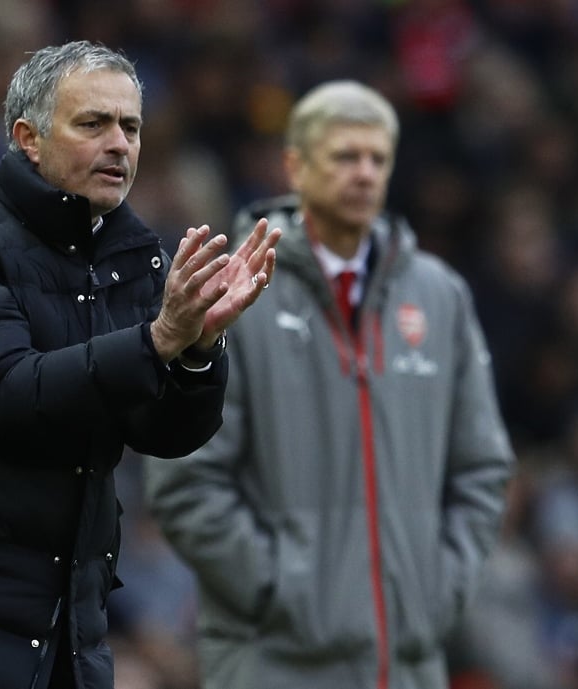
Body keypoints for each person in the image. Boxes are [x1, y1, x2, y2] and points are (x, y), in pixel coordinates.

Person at [0, 40, 279, 689]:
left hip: (67, 636)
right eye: (93, 123)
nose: (119, 143)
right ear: (28, 138)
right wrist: (158, 341)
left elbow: (166, 431)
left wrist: (199, 349)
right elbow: (13, 393)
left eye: (130, 126)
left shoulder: (130, 256)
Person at [143, 80, 515, 689]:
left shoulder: (439, 295)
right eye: (345, 156)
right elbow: (186, 475)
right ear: (295, 165)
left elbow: (483, 468)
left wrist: (436, 590)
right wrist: (278, 590)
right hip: (273, 661)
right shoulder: (233, 292)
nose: (364, 173)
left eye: (378, 158)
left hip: (407, 660)